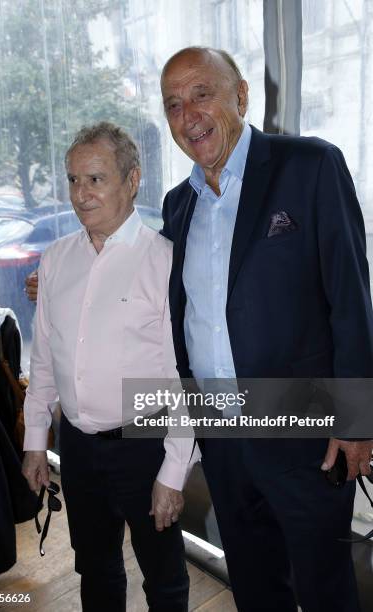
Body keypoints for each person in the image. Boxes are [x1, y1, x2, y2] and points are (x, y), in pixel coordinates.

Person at [159, 47, 373, 612]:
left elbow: (351, 299)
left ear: (241, 95)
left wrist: (356, 420)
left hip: (304, 435)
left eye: (202, 93)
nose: (189, 115)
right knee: (254, 586)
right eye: (173, 105)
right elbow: (168, 305)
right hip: (223, 438)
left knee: (326, 589)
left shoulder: (309, 166)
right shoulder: (178, 205)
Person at [22, 122, 198, 612]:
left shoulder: (164, 261)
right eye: (73, 180)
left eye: (95, 179)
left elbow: (182, 377)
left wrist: (174, 470)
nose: (80, 194)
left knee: (163, 577)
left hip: (145, 445)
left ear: (133, 179)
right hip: (77, 447)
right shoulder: (55, 259)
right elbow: (44, 358)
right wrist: (36, 439)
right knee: (94, 569)